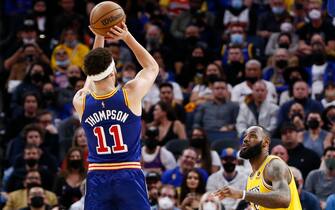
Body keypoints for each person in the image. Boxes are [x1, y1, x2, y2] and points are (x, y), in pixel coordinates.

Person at [72, 22, 159, 209]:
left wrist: (99, 36)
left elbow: (92, 76)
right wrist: (127, 36)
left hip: (97, 177)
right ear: (113, 72)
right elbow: (152, 67)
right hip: (128, 173)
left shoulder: (81, 101)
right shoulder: (130, 94)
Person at [214, 126, 302, 210]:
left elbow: (284, 199)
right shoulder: (251, 179)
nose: (245, 139)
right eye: (245, 136)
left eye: (252, 136)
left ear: (265, 143)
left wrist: (242, 194)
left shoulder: (274, 164)